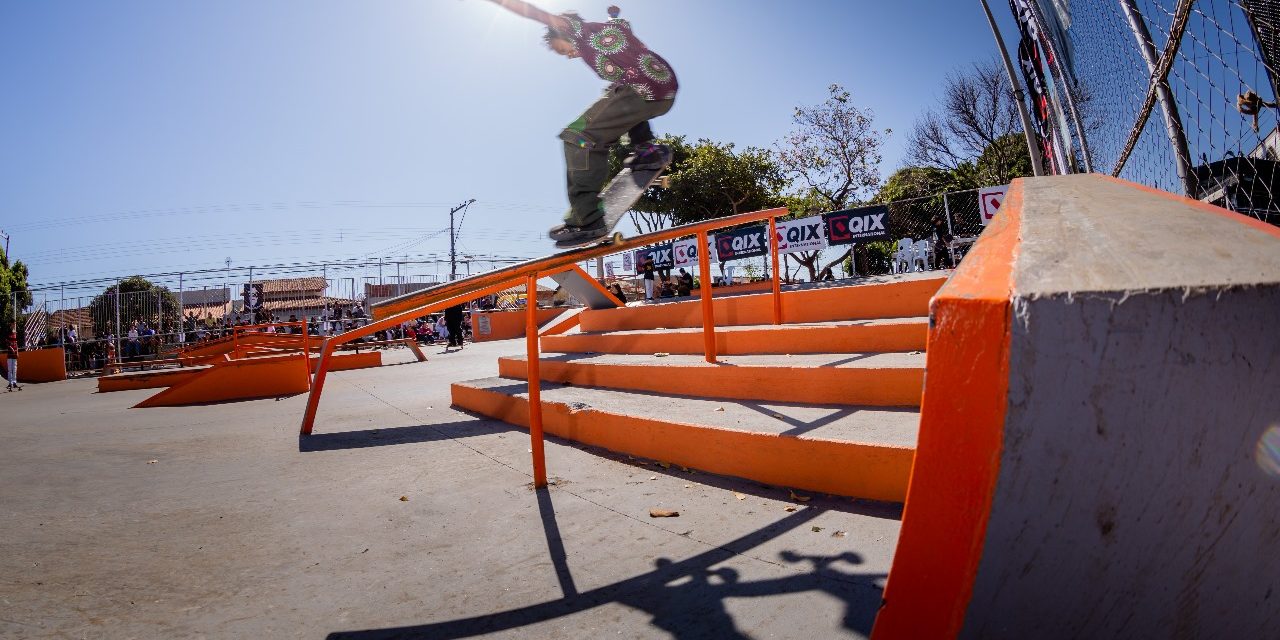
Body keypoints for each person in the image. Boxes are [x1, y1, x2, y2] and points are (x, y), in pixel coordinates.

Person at [485, 1, 678, 245]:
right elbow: (620, 24)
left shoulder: (575, 29)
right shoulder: (605, 30)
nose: (569, 56)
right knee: (613, 97)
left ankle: (586, 219)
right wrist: (614, 15)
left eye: (563, 50)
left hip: (642, 91)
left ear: (563, 33)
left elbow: (537, 14)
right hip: (665, 88)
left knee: (577, 138)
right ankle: (646, 149)